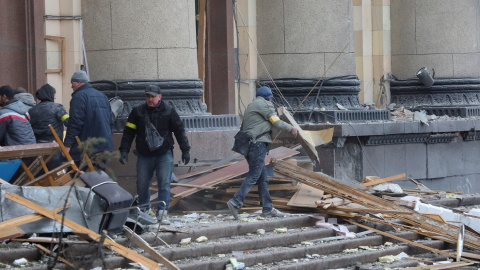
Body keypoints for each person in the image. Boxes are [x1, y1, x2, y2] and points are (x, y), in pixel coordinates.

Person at [119, 85, 191, 225]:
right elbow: (129, 132)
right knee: (142, 184)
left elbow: (179, 131)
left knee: (164, 184)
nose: (150, 99)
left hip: (164, 155)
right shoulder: (137, 112)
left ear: (160, 96)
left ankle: (162, 213)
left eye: (153, 96)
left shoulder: (169, 111)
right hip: (144, 155)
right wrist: (124, 150)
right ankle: (144, 212)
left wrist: (185, 150)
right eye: (148, 96)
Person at [227, 86, 298, 220]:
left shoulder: (252, 104)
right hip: (257, 144)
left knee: (262, 178)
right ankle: (235, 202)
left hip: (248, 145)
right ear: (269, 97)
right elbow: (276, 122)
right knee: (254, 175)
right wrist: (291, 128)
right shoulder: (265, 104)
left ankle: (267, 208)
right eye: (271, 98)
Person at [63, 70, 113, 165]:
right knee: (99, 177)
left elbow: (75, 123)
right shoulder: (103, 96)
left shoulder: (78, 97)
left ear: (78, 82)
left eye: (72, 83)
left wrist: (68, 145)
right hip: (105, 146)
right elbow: (110, 121)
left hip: (87, 148)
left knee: (80, 177)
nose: (71, 86)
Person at [29, 84, 70, 169]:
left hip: (37, 149)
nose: (55, 97)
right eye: (54, 95)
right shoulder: (57, 108)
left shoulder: (32, 110)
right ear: (50, 95)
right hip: (55, 148)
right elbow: (69, 122)